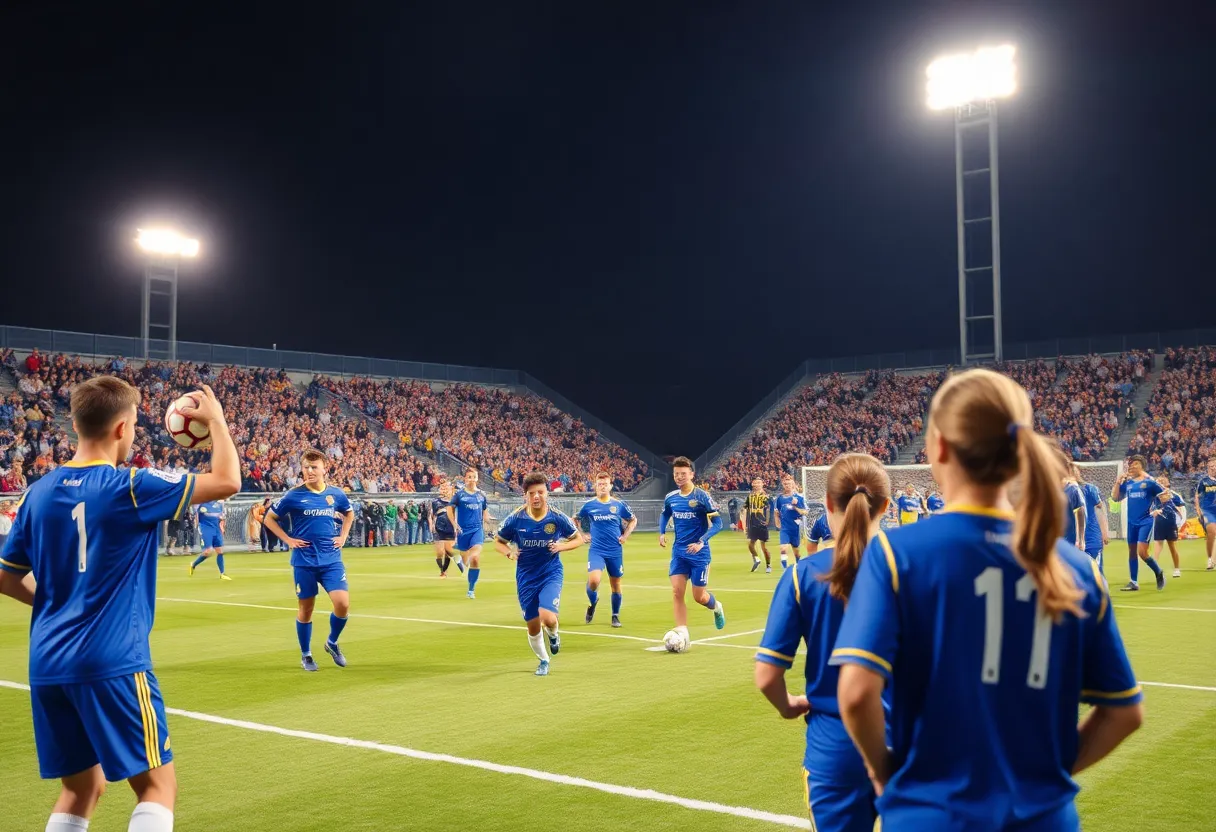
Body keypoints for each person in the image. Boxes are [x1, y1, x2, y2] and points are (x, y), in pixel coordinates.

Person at [832, 368, 1143, 831]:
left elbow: (856, 696)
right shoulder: (1078, 569)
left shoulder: (898, 555)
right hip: (1045, 818)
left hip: (932, 815)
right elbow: (1125, 712)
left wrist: (883, 772)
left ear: (938, 447)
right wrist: (1047, 775)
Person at [0, 378, 241, 832]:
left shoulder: (38, 492)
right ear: (123, 429)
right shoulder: (131, 486)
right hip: (111, 660)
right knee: (156, 787)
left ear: (73, 423)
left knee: (80, 789)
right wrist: (219, 422)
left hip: (47, 662)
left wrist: (53, 605)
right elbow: (227, 480)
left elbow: (5, 576)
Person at [756, 453, 891, 832]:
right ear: (887, 506)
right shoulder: (915, 568)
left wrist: (788, 706)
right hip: (907, 745)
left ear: (828, 504)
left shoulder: (803, 575)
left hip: (834, 748)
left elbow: (767, 677)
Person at [262, 450, 355, 671]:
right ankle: (306, 655)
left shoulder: (336, 494)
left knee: (343, 604)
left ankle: (331, 643)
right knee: (306, 609)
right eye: (306, 467)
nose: (310, 471)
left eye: (314, 467)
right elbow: (269, 518)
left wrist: (343, 536)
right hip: (304, 561)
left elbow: (349, 514)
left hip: (331, 560)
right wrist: (288, 540)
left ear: (324, 468)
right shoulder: (293, 495)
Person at [494, 473, 583, 676]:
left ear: (547, 493)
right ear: (525, 495)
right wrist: (509, 552)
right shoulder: (516, 518)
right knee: (533, 625)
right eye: (532, 493)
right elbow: (498, 542)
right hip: (525, 576)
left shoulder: (557, 518)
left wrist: (561, 546)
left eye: (540, 492)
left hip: (550, 572)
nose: (536, 497)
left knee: (548, 617)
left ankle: (553, 634)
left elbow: (578, 539)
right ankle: (543, 660)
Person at [659, 456, 725, 641]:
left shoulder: (701, 496)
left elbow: (718, 523)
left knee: (699, 596)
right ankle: (682, 631)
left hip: (699, 554)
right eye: (676, 474)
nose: (679, 477)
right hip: (679, 552)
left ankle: (716, 607)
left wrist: (702, 541)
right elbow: (665, 515)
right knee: (677, 592)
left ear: (691, 475)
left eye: (683, 474)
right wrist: (662, 532)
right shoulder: (671, 498)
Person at [576, 471, 637, 627]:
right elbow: (574, 520)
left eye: (605, 484)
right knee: (594, 581)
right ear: (595, 486)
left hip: (615, 551)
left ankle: (615, 616)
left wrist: (625, 536)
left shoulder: (618, 505)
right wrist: (582, 534)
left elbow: (632, 520)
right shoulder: (589, 505)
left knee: (615, 584)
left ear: (610, 486)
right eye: (599, 484)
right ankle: (593, 602)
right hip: (597, 549)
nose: (602, 486)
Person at [1111, 455, 1166, 591]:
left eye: (1135, 464)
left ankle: (1158, 572)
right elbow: (1115, 498)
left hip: (1145, 521)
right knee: (1132, 552)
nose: (1132, 466)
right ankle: (1134, 582)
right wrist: (1118, 482)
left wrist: (1159, 509)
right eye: (1131, 464)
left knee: (1142, 552)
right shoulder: (1128, 483)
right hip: (1131, 523)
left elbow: (1165, 495)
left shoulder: (1150, 483)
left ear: (1142, 466)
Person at [449, 467, 489, 599]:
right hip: (462, 533)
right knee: (467, 562)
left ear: (477, 479)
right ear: (465, 479)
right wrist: (454, 524)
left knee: (475, 558)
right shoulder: (459, 495)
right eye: (469, 477)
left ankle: (471, 590)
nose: (472, 479)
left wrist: (488, 520)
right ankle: (462, 561)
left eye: (474, 477)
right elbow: (450, 510)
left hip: (477, 531)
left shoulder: (482, 495)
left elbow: (485, 511)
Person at [1072, 464, 1109, 575]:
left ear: (1078, 472)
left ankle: (1101, 592)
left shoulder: (1090, 488)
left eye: (1073, 470)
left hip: (1091, 538)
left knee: (1096, 573)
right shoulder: (1061, 491)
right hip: (1071, 539)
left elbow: (1100, 510)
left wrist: (1104, 532)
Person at [1149, 474, 1185, 578]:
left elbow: (1181, 508)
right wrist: (1153, 513)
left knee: (1172, 547)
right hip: (1159, 523)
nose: (1160, 483)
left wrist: (1180, 523)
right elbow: (1150, 510)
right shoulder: (1154, 496)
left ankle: (1177, 569)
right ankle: (1155, 569)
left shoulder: (1173, 495)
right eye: (1158, 481)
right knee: (1157, 547)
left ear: (1167, 483)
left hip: (1171, 523)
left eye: (1162, 481)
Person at [188, 498, 231, 580]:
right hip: (205, 529)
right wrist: (197, 526)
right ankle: (193, 564)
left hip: (216, 529)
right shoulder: (200, 503)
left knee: (220, 551)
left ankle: (222, 574)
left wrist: (222, 528)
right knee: (208, 551)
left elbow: (221, 518)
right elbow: (195, 513)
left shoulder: (219, 504)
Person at [775, 473, 809, 568]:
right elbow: (776, 512)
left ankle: (798, 565)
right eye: (785, 484)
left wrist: (795, 506)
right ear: (783, 485)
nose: (787, 486)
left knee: (796, 552)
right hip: (785, 528)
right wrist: (777, 522)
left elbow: (805, 512)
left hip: (795, 528)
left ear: (793, 484)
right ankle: (784, 568)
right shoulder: (780, 499)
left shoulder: (799, 498)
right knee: (783, 548)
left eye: (789, 484)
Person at [432, 480, 462, 577]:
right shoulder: (436, 502)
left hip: (450, 528)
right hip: (439, 528)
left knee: (448, 551)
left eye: (446, 488)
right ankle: (442, 569)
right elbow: (435, 513)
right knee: (440, 552)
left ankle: (443, 572)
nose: (444, 490)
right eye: (442, 488)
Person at [744, 477, 773, 573]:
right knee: (750, 544)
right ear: (752, 484)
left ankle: (768, 565)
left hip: (761, 524)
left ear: (762, 484)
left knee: (763, 547)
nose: (757, 484)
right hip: (752, 523)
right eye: (755, 483)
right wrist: (746, 524)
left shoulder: (765, 496)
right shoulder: (750, 496)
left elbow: (768, 509)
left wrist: (768, 521)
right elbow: (746, 509)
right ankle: (757, 559)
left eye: (759, 482)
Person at [1193, 457, 1216, 571]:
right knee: (1211, 531)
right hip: (1207, 510)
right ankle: (1210, 559)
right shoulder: (1203, 481)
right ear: (1208, 468)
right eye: (1211, 466)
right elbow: (1197, 496)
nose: (1213, 468)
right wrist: (1198, 511)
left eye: (1215, 466)